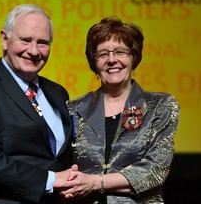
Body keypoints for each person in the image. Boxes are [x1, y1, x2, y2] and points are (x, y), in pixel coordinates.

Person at [0, 4, 74, 204]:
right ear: (4, 39)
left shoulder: (58, 92)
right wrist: (52, 179)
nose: (34, 51)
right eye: (26, 40)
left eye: (42, 42)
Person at [54, 17, 180, 203]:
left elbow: (155, 169)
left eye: (120, 52)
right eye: (103, 54)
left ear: (133, 57)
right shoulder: (74, 108)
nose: (112, 60)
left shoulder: (159, 106)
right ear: (93, 62)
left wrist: (95, 182)